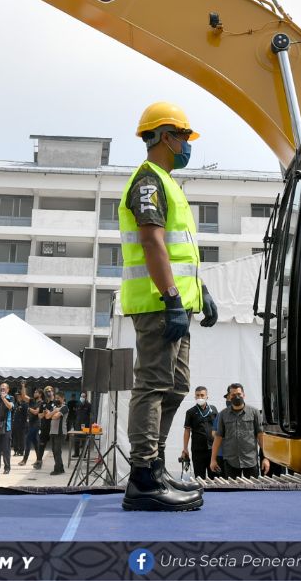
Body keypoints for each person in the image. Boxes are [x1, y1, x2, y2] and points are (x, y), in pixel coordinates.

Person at [119, 102, 218, 512]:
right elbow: (152, 242)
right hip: (160, 305)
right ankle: (142, 477)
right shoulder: (148, 181)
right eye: (183, 136)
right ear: (163, 135)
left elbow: (179, 253)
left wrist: (201, 291)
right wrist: (173, 297)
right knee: (153, 385)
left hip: (177, 304)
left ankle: (154, 467)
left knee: (176, 387)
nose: (186, 145)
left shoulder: (168, 182)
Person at [209, 384, 270, 478]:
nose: (236, 397)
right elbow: (218, 438)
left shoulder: (254, 412)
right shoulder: (223, 414)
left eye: (239, 394)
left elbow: (260, 437)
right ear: (229, 397)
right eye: (233, 395)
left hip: (250, 461)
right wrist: (213, 459)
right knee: (232, 491)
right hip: (230, 461)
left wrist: (266, 458)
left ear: (244, 395)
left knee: (253, 490)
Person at [180, 386, 218, 479]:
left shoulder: (213, 410)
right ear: (195, 397)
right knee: (200, 478)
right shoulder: (190, 412)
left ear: (207, 397)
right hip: (198, 450)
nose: (200, 397)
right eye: (197, 395)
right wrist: (185, 448)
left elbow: (218, 429)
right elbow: (187, 430)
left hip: (212, 449)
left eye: (202, 395)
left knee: (215, 477)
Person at [47, 389, 68, 475]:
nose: (56, 400)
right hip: (53, 432)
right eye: (56, 398)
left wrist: (53, 413)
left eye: (58, 398)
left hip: (60, 432)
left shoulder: (64, 407)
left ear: (63, 398)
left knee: (57, 451)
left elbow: (55, 417)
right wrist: (54, 411)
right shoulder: (55, 407)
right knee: (54, 451)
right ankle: (61, 468)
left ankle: (57, 469)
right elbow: (48, 416)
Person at [21, 389, 43, 466]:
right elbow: (23, 396)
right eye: (34, 392)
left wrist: (28, 408)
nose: (34, 393)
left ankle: (24, 460)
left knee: (27, 441)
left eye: (36, 392)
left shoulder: (41, 403)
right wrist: (23, 386)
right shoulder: (32, 400)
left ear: (40, 394)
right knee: (36, 443)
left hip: (35, 425)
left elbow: (36, 412)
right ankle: (39, 460)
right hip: (30, 424)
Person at [12, 386, 29, 457]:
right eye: (17, 395)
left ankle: (21, 451)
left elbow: (26, 414)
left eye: (19, 395)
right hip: (15, 423)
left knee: (21, 438)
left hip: (22, 424)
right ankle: (15, 450)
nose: (17, 397)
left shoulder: (25, 404)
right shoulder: (16, 403)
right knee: (15, 438)